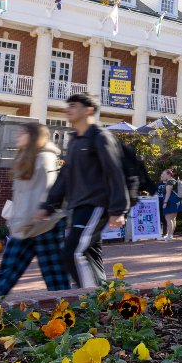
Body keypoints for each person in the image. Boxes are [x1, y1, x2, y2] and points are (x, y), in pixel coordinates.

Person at [39, 93, 129, 289]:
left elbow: (114, 172)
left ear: (88, 110)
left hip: (96, 204)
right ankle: (104, 297)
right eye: (68, 105)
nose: (68, 109)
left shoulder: (100, 137)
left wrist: (118, 210)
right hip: (78, 206)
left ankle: (89, 298)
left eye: (73, 105)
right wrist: (49, 205)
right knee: (89, 253)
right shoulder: (75, 141)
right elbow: (65, 175)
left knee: (72, 252)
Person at [0, 122, 72, 296]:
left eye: (23, 133)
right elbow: (22, 197)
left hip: (46, 225)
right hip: (26, 225)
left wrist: (31, 218)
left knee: (56, 278)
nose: (18, 136)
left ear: (34, 137)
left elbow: (47, 192)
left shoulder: (44, 158)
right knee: (7, 273)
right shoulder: (25, 158)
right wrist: (18, 221)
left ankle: (68, 310)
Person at [157, 168, 182, 241]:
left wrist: (165, 202)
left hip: (170, 202)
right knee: (173, 219)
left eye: (163, 174)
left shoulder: (170, 182)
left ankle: (169, 235)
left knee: (169, 219)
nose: (162, 175)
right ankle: (170, 234)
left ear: (168, 174)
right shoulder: (173, 180)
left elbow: (168, 193)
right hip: (175, 202)